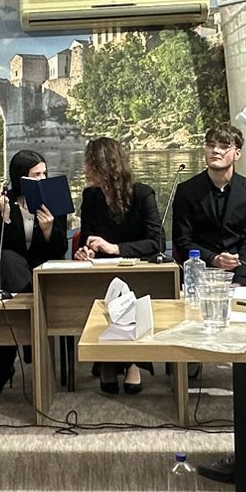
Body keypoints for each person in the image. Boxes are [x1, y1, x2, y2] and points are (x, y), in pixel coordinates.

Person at [73, 136, 166, 394]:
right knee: (104, 288)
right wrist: (86, 250)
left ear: (106, 165)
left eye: (90, 163)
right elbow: (88, 237)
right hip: (101, 271)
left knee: (129, 288)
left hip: (136, 268)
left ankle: (129, 360)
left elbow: (157, 241)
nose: (85, 169)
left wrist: (116, 248)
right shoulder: (90, 196)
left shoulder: (143, 194)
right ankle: (112, 360)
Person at [0, 147, 68, 396]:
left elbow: (60, 249)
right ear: (20, 177)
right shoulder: (2, 201)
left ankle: (3, 365)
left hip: (43, 269)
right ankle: (29, 345)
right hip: (11, 268)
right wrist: (4, 217)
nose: (42, 179)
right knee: (3, 261)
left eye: (44, 174)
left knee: (5, 278)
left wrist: (48, 231)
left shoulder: (54, 198)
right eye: (35, 175)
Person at [169, 124, 246, 287]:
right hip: (201, 267)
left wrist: (240, 279)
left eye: (224, 146)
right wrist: (214, 259)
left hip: (242, 266)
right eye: (211, 145)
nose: (215, 151)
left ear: (237, 153)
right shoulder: (187, 190)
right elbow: (182, 240)